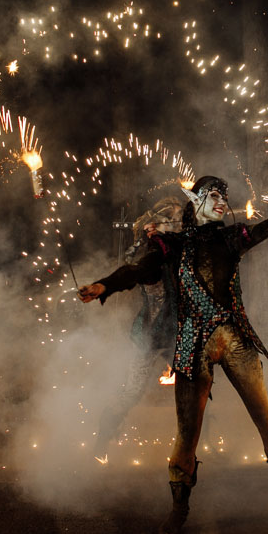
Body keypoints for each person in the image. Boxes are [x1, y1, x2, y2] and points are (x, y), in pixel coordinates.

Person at [80, 171, 268, 534]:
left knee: (267, 422)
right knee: (187, 435)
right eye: (213, 195)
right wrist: (105, 284)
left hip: (234, 339)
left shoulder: (234, 238)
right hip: (191, 344)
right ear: (195, 201)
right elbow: (139, 270)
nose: (221, 201)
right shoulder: (172, 245)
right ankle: (178, 511)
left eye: (224, 195)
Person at [94, 196, 184, 458]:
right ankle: (102, 441)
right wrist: (106, 285)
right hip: (150, 336)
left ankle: (199, 445)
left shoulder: (179, 250)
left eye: (179, 220)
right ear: (156, 226)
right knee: (131, 392)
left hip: (179, 334)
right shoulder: (151, 255)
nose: (179, 224)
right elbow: (132, 272)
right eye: (174, 220)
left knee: (198, 387)